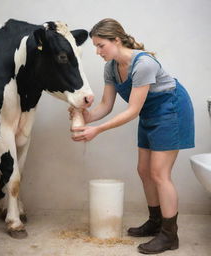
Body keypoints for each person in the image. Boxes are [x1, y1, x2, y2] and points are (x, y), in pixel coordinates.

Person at [69, 18, 194, 254]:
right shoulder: (111, 68)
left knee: (159, 173)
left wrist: (98, 130)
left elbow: (132, 111)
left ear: (116, 40)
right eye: (95, 46)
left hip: (171, 110)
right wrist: (86, 117)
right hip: (150, 112)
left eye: (100, 45)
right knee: (144, 170)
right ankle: (156, 222)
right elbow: (106, 105)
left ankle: (169, 236)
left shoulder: (143, 63)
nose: (97, 51)